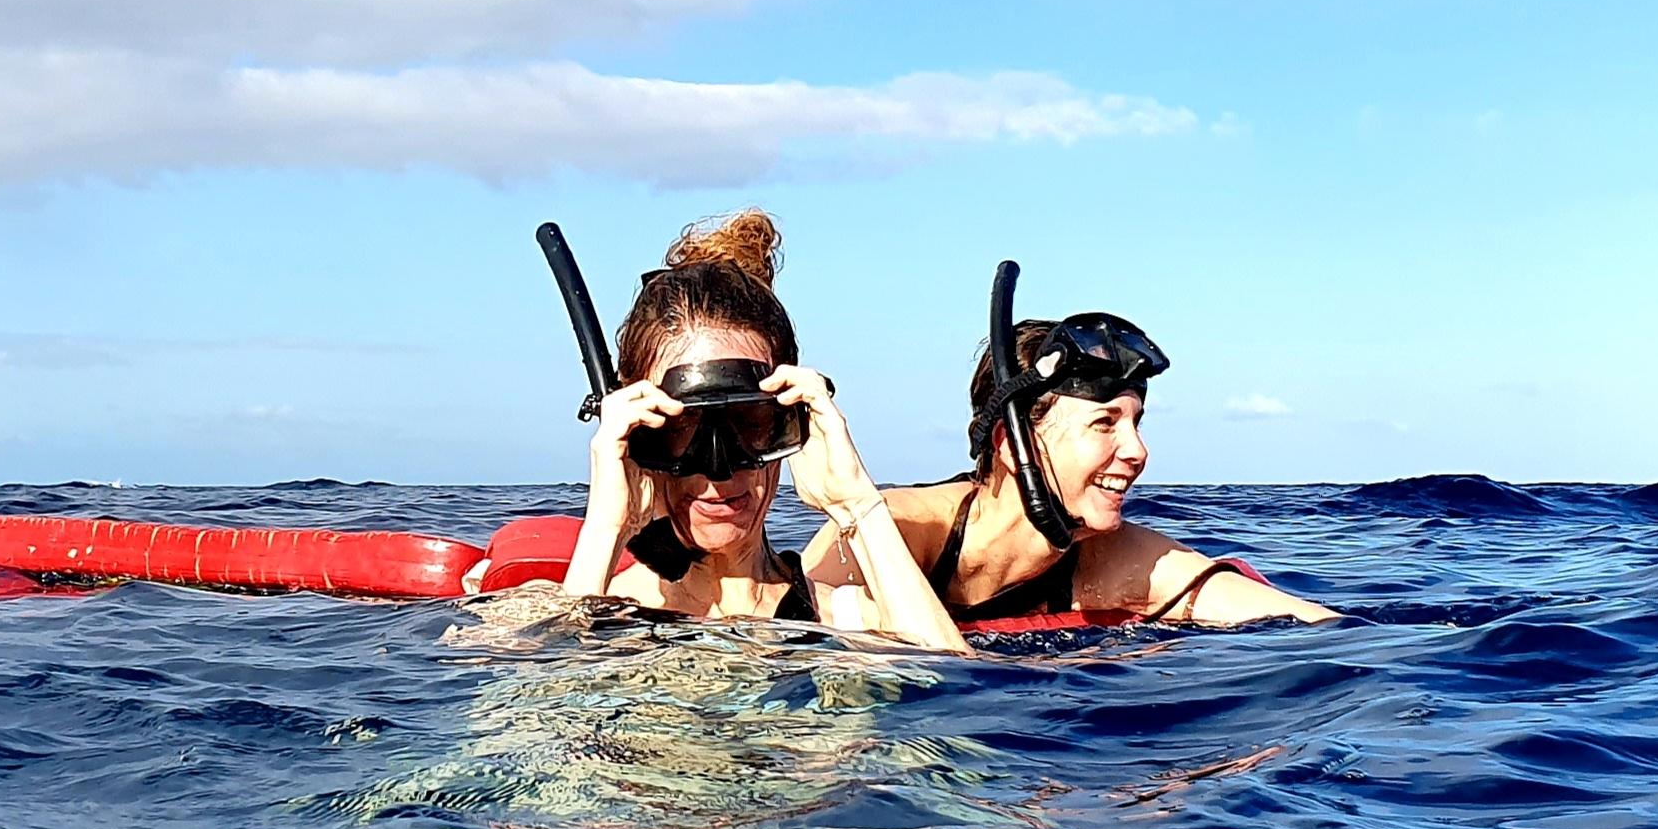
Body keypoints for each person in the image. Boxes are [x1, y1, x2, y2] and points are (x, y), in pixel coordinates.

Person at [556, 213, 964, 653]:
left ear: (791, 420)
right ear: (639, 435)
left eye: (750, 424)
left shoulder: (848, 621)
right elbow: (544, 711)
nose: (720, 472)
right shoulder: (584, 613)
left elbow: (954, 693)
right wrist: (606, 528)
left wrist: (857, 506)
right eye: (681, 428)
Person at [878, 279, 1334, 629]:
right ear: (1010, 444)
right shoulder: (891, 530)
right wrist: (857, 510)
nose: (1137, 451)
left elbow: (1318, 630)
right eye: (1104, 423)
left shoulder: (1116, 560)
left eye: (1136, 423)